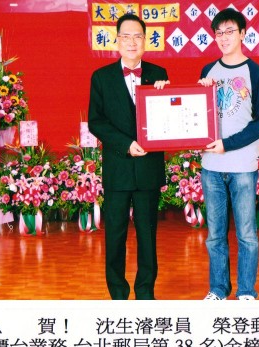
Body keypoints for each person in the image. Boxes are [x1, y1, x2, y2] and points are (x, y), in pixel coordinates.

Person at [88, 13, 169, 300]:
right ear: (117, 40)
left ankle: (146, 293)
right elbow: (96, 122)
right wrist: (126, 144)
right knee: (115, 235)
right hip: (118, 168)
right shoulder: (101, 77)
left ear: (145, 41)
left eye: (137, 36)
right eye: (126, 36)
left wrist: (168, 96)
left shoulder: (159, 74)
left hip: (148, 168)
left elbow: (169, 118)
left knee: (148, 235)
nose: (132, 42)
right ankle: (118, 295)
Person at [198, 8, 259, 301]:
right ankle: (218, 289)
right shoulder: (208, 71)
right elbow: (198, 117)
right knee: (215, 235)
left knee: (247, 235)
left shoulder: (256, 72)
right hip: (211, 167)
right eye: (219, 33)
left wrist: (227, 144)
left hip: (242, 166)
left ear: (243, 34)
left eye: (230, 31)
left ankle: (246, 292)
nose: (224, 37)